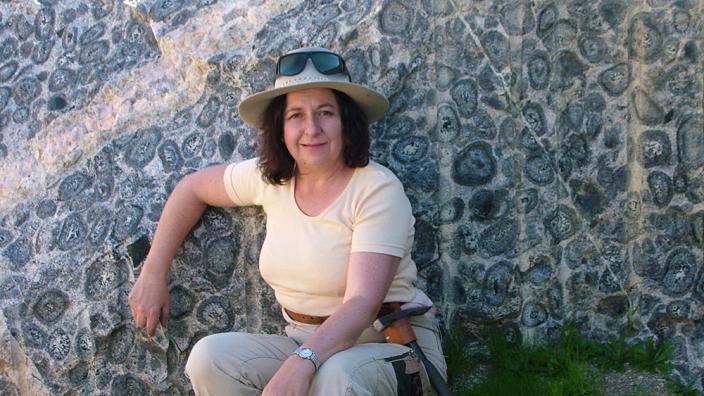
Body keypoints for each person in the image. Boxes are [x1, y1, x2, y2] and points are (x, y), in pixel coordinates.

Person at [128, 46, 447, 395]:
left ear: (347, 122)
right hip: (302, 341)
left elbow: (362, 302)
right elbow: (192, 189)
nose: (311, 129)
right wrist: (153, 271)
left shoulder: (376, 189)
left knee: (335, 376)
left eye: (325, 112)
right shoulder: (271, 179)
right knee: (209, 359)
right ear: (280, 127)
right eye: (296, 115)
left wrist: (303, 362)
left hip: (387, 344)